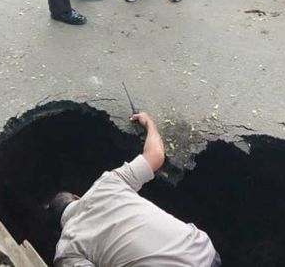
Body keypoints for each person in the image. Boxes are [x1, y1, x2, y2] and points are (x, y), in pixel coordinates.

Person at [47, 112, 221, 266]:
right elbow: (156, 156)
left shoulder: (67, 250)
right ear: (78, 197)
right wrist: (149, 124)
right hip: (202, 252)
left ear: (59, 231)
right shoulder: (107, 184)